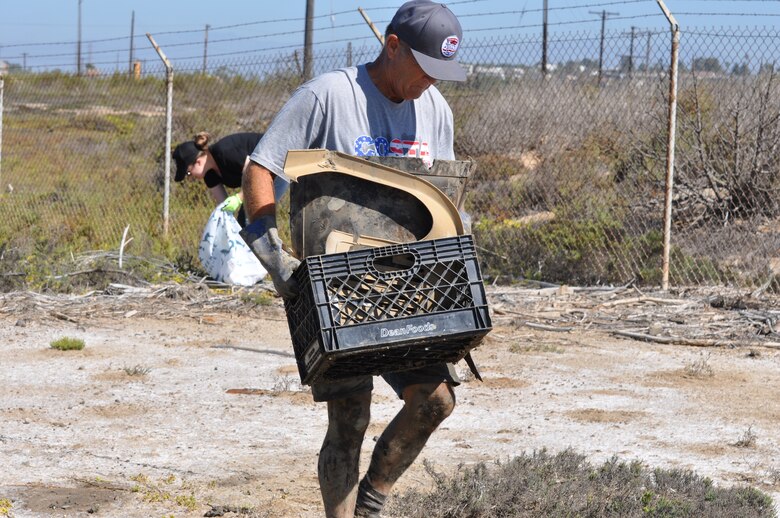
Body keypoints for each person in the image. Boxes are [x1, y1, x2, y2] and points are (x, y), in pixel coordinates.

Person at [240, 1, 467, 516]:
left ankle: (372, 500)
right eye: (426, 69)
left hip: (411, 290)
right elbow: (259, 169)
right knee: (350, 418)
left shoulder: (436, 111)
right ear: (392, 46)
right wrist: (274, 258)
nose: (431, 84)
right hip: (335, 292)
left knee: (436, 400)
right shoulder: (328, 96)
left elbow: (445, 199)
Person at [172, 131, 263, 226]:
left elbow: (255, 173)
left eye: (188, 173)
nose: (190, 178)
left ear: (198, 162)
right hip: (261, 177)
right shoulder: (209, 175)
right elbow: (223, 205)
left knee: (248, 219)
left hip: (273, 162)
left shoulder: (224, 152)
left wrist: (239, 197)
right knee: (243, 223)